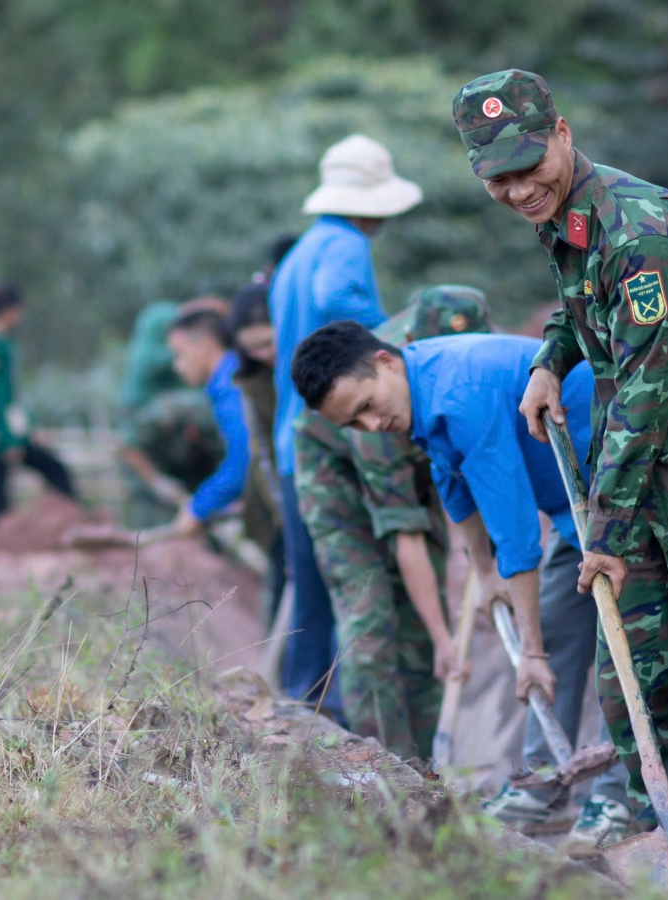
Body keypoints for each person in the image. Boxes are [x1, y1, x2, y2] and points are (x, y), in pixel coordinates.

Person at [451, 69, 668, 895]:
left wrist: (601, 532)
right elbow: (580, 305)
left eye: (529, 165)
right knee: (637, 669)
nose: (518, 188)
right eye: (498, 176)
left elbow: (646, 389)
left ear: (563, 134)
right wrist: (549, 359)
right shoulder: (567, 220)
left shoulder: (643, 231)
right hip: (642, 481)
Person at [293, 324, 632, 847]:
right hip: (574, 511)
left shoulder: (460, 392)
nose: (372, 423)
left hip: (618, 497)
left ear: (384, 362)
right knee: (562, 627)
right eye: (354, 423)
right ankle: (542, 785)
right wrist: (482, 571)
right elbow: (456, 489)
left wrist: (530, 651)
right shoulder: (421, 390)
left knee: (624, 643)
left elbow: (517, 535)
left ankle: (621, 796)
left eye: (367, 405)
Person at [293, 285, 489, 760]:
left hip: (416, 466)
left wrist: (485, 568)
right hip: (337, 481)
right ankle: (381, 769)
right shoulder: (371, 410)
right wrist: (447, 640)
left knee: (420, 631)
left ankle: (424, 771)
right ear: (399, 356)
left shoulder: (469, 357)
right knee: (371, 620)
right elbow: (407, 535)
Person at [269, 133, 422, 712]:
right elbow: (338, 297)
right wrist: (393, 343)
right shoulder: (345, 247)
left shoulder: (298, 252)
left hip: (293, 444)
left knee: (311, 581)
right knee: (353, 582)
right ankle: (331, 713)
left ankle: (303, 701)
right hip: (334, 441)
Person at [0, 283, 79, 535]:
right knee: (3, 493)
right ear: (9, 310)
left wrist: (29, 429)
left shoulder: (0, 344)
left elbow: (12, 397)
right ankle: (72, 523)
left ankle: (70, 524)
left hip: (3, 431)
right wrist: (9, 440)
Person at [141, 306, 248, 540]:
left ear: (205, 344)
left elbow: (243, 460)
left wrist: (198, 508)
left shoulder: (232, 386)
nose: (176, 365)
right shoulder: (228, 381)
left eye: (179, 354)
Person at [227, 281, 285, 623]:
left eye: (267, 343)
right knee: (281, 581)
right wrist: (283, 512)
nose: (263, 354)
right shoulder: (250, 383)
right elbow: (262, 453)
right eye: (252, 349)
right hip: (273, 499)